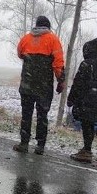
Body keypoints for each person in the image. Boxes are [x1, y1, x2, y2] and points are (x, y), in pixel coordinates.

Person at [13, 16, 65, 155]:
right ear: (48, 27)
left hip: (27, 84)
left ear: (36, 25)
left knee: (26, 114)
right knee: (42, 115)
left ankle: (24, 143)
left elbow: (19, 54)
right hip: (44, 85)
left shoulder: (26, 38)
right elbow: (58, 63)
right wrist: (60, 80)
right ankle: (40, 146)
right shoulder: (53, 39)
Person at [67, 36, 97, 163]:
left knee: (86, 124)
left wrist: (71, 98)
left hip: (85, 100)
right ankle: (87, 149)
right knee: (89, 125)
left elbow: (78, 83)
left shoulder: (86, 64)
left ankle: (86, 151)